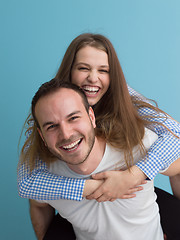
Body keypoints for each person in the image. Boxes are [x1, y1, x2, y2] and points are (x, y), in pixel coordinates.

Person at [18, 33, 180, 238]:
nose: (93, 78)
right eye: (83, 68)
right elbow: (27, 182)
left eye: (103, 70)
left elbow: (176, 134)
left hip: (131, 195)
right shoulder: (49, 108)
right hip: (80, 204)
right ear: (69, 71)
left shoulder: (124, 103)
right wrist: (91, 188)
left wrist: (135, 175)